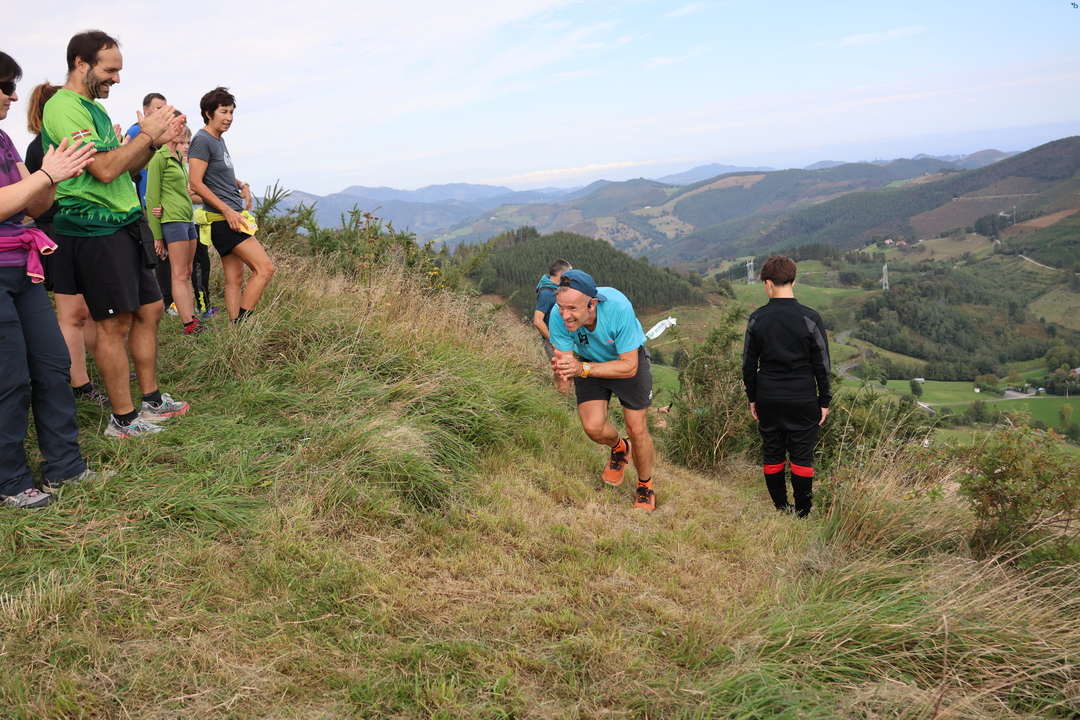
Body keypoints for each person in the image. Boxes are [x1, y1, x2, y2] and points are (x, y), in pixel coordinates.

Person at [42, 30, 189, 438]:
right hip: (94, 229)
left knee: (151, 309)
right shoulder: (63, 107)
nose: (117, 79)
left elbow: (123, 167)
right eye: (110, 70)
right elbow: (104, 170)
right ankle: (122, 421)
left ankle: (152, 400)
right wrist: (146, 135)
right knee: (113, 324)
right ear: (80, 63)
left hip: (124, 225)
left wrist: (154, 143)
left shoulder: (94, 109)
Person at [0, 51, 102, 508]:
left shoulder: (3, 139)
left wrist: (55, 177)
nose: (13, 95)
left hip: (21, 268)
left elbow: (32, 207)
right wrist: (44, 173)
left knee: (53, 365)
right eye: (6, 86)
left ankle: (65, 466)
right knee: (10, 378)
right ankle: (10, 480)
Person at [24, 82, 107, 405]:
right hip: (55, 232)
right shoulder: (42, 148)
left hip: (72, 230)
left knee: (88, 310)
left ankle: (99, 366)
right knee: (73, 314)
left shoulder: (51, 144)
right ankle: (80, 384)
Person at [550, 270, 657, 511]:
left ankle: (645, 485)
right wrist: (560, 374)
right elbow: (564, 373)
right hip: (588, 362)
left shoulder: (619, 307)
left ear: (592, 303)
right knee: (593, 427)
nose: (565, 316)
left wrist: (582, 369)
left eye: (572, 309)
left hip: (626, 361)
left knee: (637, 428)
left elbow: (629, 367)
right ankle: (620, 448)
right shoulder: (559, 315)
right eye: (561, 307)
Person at [741, 255, 831, 518]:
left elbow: (748, 364)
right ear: (794, 280)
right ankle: (803, 512)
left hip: (768, 395)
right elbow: (822, 364)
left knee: (773, 451)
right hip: (802, 396)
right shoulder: (810, 318)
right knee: (802, 455)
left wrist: (753, 398)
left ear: (768, 283)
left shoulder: (757, 318)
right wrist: (824, 401)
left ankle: (781, 507)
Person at [187, 87, 274, 323]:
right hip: (225, 220)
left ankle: (235, 334)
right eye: (223, 112)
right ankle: (242, 325)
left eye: (231, 112)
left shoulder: (218, 140)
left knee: (234, 279)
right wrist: (227, 210)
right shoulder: (202, 140)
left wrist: (242, 184)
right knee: (265, 269)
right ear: (209, 113)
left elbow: (218, 174)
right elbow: (195, 182)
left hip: (229, 217)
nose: (229, 117)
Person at [146, 122, 200, 334]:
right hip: (172, 219)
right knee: (179, 273)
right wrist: (157, 236)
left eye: (187, 140)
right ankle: (188, 324)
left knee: (187, 271)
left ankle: (192, 318)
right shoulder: (159, 157)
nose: (186, 144)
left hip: (188, 218)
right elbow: (152, 197)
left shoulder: (178, 159)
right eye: (183, 138)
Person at [532, 258, 571, 359]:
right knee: (563, 367)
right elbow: (537, 321)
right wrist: (553, 342)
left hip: (562, 337)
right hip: (554, 339)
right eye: (568, 274)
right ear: (560, 274)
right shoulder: (547, 293)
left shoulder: (555, 288)